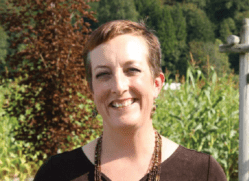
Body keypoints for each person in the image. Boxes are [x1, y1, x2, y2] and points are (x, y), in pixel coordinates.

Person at [34, 20, 227, 181]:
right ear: (91, 90)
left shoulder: (203, 173)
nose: (118, 86)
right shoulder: (56, 174)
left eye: (132, 70)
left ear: (157, 84)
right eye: (103, 74)